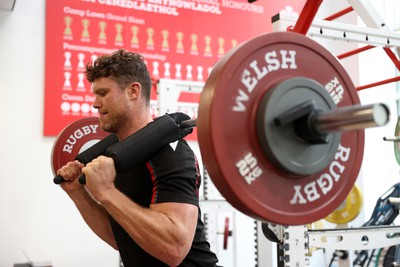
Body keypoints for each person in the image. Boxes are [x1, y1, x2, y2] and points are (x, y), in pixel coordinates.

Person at [57, 49, 220, 266]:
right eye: (95, 95)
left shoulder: (172, 152)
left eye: (103, 93)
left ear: (133, 91)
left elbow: (175, 249)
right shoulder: (115, 155)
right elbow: (122, 239)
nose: (95, 103)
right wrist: (78, 193)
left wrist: (107, 192)